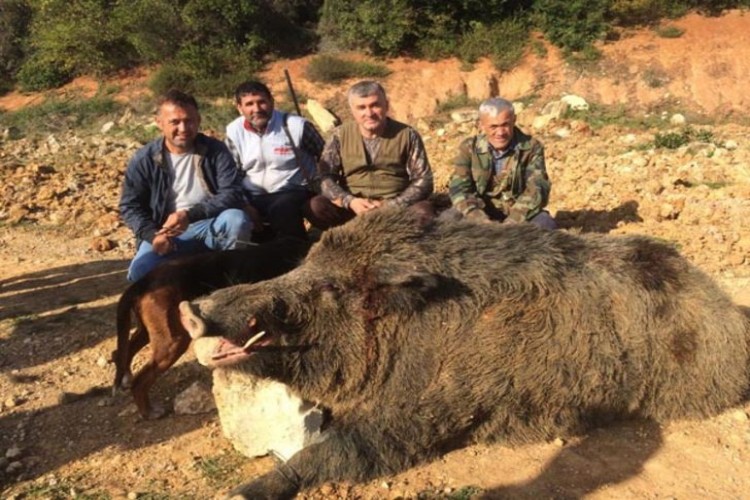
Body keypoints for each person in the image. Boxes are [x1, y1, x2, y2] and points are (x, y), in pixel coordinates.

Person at [120, 89, 252, 283]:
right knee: (139, 274)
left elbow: (231, 193)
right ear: (160, 123)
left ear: (198, 120)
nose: (183, 128)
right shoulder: (145, 159)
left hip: (209, 223)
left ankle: (228, 280)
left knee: (236, 219)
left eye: (189, 121)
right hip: (165, 232)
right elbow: (130, 206)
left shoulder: (215, 150)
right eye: (175, 122)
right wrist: (152, 235)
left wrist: (189, 215)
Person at [305, 80, 434, 229]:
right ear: (352, 110)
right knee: (315, 206)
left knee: (423, 212)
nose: (369, 113)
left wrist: (392, 205)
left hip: (395, 206)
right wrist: (350, 201)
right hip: (353, 209)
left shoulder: (408, 135)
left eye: (375, 105)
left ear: (386, 104)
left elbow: (424, 180)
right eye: (361, 107)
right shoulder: (339, 135)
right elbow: (324, 177)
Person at [226, 80, 324, 240]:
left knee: (282, 208)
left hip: (293, 191)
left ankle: (296, 253)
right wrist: (244, 204)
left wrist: (324, 187)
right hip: (254, 195)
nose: (256, 109)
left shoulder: (296, 126)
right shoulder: (234, 132)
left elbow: (325, 157)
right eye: (249, 104)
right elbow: (232, 174)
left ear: (271, 102)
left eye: (261, 102)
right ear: (239, 108)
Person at [448, 97, 557, 229]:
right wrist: (478, 218)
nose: (500, 133)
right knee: (448, 221)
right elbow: (459, 188)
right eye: (493, 126)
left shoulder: (532, 147)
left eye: (505, 125)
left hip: (518, 212)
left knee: (545, 225)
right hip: (481, 211)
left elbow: (537, 188)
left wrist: (512, 221)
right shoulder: (469, 148)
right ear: (481, 125)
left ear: (514, 120)